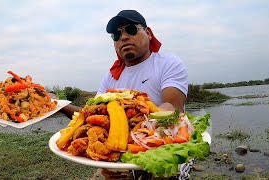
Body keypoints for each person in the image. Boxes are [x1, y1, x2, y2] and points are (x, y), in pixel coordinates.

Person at [55, 9, 189, 180]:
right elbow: (89, 115)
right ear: (114, 44)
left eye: (131, 29)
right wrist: (59, 104)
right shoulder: (111, 77)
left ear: (148, 33)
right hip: (118, 149)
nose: (124, 37)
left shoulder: (168, 64)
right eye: (116, 35)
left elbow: (172, 108)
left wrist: (139, 133)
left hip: (165, 143)